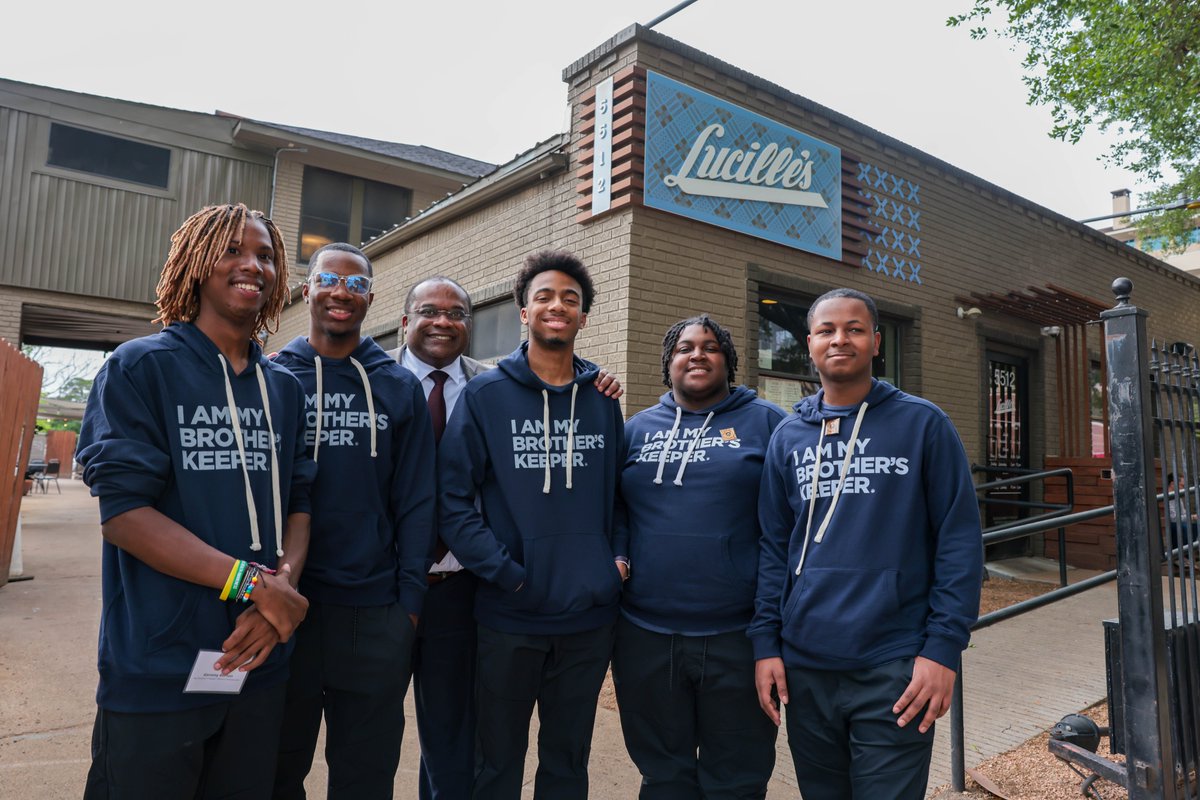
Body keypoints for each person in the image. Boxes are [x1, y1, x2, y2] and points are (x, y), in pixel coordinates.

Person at [77, 203, 316, 799]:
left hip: (254, 661)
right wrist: (252, 585)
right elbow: (125, 516)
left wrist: (276, 597)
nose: (251, 265)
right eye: (232, 249)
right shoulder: (139, 367)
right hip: (161, 665)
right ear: (194, 263)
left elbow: (300, 505)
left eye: (265, 255)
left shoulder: (284, 388)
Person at [388, 274, 622, 800]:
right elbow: (453, 499)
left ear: (585, 316)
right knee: (486, 760)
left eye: (571, 299)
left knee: (557, 761)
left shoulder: (603, 398)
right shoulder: (483, 392)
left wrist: (614, 566)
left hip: (578, 615)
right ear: (522, 311)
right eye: (543, 296)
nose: (557, 306)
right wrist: (507, 574)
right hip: (479, 604)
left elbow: (618, 497)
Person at [749, 287, 983, 800]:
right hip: (806, 666)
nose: (840, 339)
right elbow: (773, 547)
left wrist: (943, 650)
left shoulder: (923, 424)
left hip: (895, 666)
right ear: (809, 343)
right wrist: (765, 642)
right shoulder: (788, 437)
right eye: (827, 330)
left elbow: (959, 542)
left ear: (876, 342)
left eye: (854, 329)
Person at [271, 243, 436, 799]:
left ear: (370, 298)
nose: (342, 292)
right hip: (285, 605)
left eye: (357, 284)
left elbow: (416, 500)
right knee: (274, 766)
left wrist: (408, 607)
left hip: (374, 613)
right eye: (329, 280)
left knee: (365, 775)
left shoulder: (396, 385)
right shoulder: (272, 377)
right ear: (307, 288)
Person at [612, 314, 784, 798]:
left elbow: (785, 528)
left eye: (710, 347)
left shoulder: (768, 423)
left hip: (737, 635)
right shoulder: (636, 430)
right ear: (668, 364)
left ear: (728, 362)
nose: (697, 354)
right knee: (663, 776)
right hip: (645, 634)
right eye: (684, 348)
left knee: (738, 776)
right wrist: (621, 557)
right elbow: (615, 509)